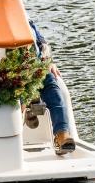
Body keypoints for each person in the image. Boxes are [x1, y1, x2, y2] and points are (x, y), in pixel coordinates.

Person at [25, 20, 76, 156]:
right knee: (18, 91)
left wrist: (48, 60)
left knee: (54, 90)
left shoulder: (26, 19)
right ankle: (30, 107)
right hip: (13, 69)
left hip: (36, 65)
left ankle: (62, 135)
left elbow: (42, 43)